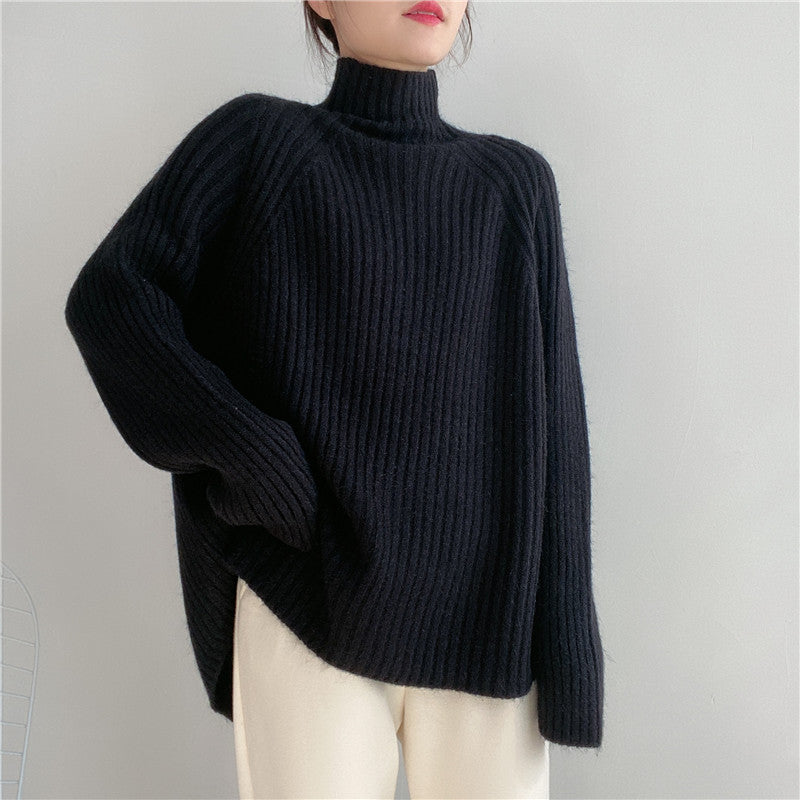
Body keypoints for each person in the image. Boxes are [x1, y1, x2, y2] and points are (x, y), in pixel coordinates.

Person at [64, 1, 604, 797]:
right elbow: (114, 297)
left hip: (488, 622)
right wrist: (252, 456)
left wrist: (569, 658)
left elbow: (557, 433)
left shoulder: (513, 185)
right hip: (309, 604)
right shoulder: (262, 144)